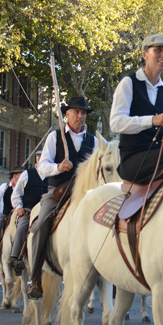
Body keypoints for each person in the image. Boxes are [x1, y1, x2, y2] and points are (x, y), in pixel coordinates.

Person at [28, 96, 97, 299]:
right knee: (41, 225)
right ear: (67, 114)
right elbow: (42, 167)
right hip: (58, 192)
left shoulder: (94, 141)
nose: (80, 116)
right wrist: (59, 167)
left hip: (84, 194)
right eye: (76, 112)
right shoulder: (54, 137)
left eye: (83, 113)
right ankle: (34, 278)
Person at [109, 34, 163, 185]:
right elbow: (116, 123)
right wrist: (152, 120)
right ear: (145, 55)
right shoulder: (129, 83)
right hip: (134, 159)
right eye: (158, 50)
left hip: (161, 156)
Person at [10, 152, 48, 275]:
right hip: (30, 211)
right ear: (37, 161)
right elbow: (16, 194)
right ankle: (16, 257)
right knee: (22, 227)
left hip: (48, 210)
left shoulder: (53, 175)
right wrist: (19, 207)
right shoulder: (27, 174)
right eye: (42, 159)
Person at [0, 166, 24, 273]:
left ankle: (22, 260)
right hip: (6, 216)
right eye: (21, 176)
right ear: (15, 176)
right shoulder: (5, 186)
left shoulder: (24, 186)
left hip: (20, 215)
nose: (23, 178)